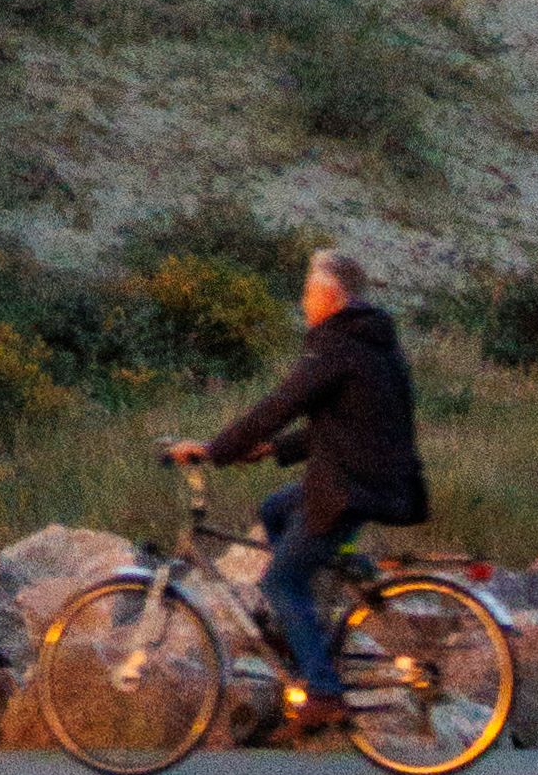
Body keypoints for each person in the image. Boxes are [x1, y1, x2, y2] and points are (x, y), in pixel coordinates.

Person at [167, 245, 429, 724]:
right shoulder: (372, 342)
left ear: (333, 297)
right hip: (370, 479)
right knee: (274, 510)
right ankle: (308, 627)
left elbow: (278, 405)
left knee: (280, 580)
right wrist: (273, 451)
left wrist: (215, 449)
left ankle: (324, 690)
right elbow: (348, 423)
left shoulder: (337, 346)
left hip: (349, 486)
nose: (303, 305)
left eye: (308, 294)